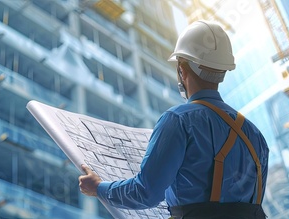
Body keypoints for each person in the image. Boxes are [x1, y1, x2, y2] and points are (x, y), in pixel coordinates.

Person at [78, 20, 269, 219]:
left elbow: (146, 193)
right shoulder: (256, 136)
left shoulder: (178, 120)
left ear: (181, 70)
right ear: (222, 72)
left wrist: (98, 188)